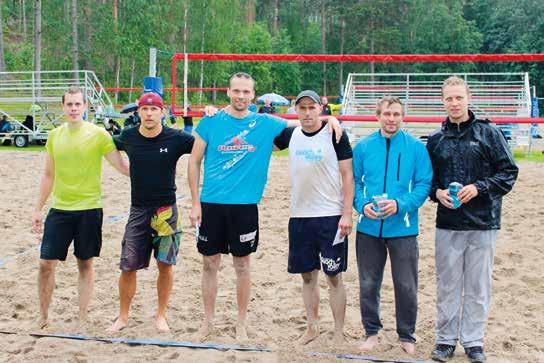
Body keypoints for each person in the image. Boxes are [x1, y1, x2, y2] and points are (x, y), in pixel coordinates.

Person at [188, 72, 341, 342]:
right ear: (228, 92)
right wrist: (194, 202)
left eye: (246, 92)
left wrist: (331, 119)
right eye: (237, 91)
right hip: (211, 203)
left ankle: (241, 322)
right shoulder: (210, 121)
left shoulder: (265, 123)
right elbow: (194, 162)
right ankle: (208, 322)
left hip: (245, 206)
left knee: (243, 265)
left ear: (253, 95)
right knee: (209, 264)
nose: (241, 96)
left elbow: (305, 123)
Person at [427, 76, 518, 363]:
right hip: (448, 224)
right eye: (449, 98)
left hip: (483, 222)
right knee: (448, 284)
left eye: (458, 97)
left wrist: (479, 187)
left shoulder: (489, 134)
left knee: (479, 285)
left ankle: (474, 341)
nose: (454, 103)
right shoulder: (435, 140)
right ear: (442, 101)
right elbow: (426, 182)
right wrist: (437, 193)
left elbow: (508, 173)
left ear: (468, 98)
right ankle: (445, 340)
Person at [31, 86, 129, 329]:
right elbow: (47, 175)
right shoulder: (54, 135)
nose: (74, 108)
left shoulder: (99, 135)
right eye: (69, 104)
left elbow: (122, 167)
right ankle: (43, 316)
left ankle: (82, 317)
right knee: (45, 264)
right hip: (60, 209)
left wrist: (151, 171)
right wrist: (37, 208)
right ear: (63, 107)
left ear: (86, 107)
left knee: (85, 264)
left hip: (89, 209)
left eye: (78, 104)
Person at [107, 93, 195, 333]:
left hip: (166, 210)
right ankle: (123, 317)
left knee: (165, 265)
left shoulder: (176, 138)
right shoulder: (128, 136)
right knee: (128, 266)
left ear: (162, 112)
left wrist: (212, 117)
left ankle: (161, 315)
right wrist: (122, 168)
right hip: (138, 211)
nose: (148, 114)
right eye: (144, 110)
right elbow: (103, 143)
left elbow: (203, 145)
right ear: (138, 112)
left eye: (153, 109)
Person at [352, 96, 432, 355]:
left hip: (404, 228)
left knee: (406, 284)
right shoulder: (363, 147)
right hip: (369, 228)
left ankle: (407, 335)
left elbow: (423, 184)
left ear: (403, 117)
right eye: (387, 114)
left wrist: (400, 204)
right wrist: (362, 205)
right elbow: (354, 182)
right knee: (368, 283)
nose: (392, 119)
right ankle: (372, 332)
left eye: (396, 114)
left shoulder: (416, 148)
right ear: (378, 116)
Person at [273, 90, 353, 345]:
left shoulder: (335, 134)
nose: (307, 112)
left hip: (330, 216)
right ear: (296, 110)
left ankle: (339, 331)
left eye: (312, 107)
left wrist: (347, 212)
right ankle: (312, 327)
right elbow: (259, 138)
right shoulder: (290, 135)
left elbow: (347, 176)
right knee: (307, 276)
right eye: (302, 108)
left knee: (334, 276)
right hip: (300, 216)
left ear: (321, 108)